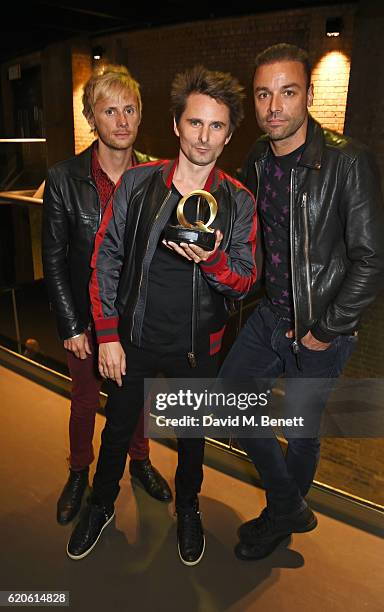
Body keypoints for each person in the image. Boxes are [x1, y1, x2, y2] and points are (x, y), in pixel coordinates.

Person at [66, 65, 257, 565]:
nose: (204, 136)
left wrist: (213, 260)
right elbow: (105, 257)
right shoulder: (138, 183)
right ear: (176, 124)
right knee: (116, 430)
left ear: (229, 134)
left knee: (191, 441)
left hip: (198, 347)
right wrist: (107, 334)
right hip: (134, 341)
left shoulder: (238, 201)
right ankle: (101, 503)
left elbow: (244, 278)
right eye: (195, 123)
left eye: (216, 126)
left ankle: (188, 507)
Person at [220, 43, 384, 560]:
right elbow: (249, 229)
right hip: (272, 313)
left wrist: (326, 328)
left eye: (288, 92)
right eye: (265, 94)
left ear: (309, 95)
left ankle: (277, 520)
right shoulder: (255, 156)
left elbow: (373, 260)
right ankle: (289, 504)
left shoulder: (347, 161)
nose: (275, 106)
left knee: (301, 428)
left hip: (323, 325)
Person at [42, 65, 172, 527]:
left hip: (135, 321)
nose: (121, 120)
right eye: (110, 110)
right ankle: (80, 472)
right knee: (84, 401)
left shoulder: (158, 175)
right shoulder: (63, 177)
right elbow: (54, 259)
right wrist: (71, 325)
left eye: (130, 109)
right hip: (86, 319)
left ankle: (139, 460)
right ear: (91, 117)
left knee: (134, 399)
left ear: (140, 115)